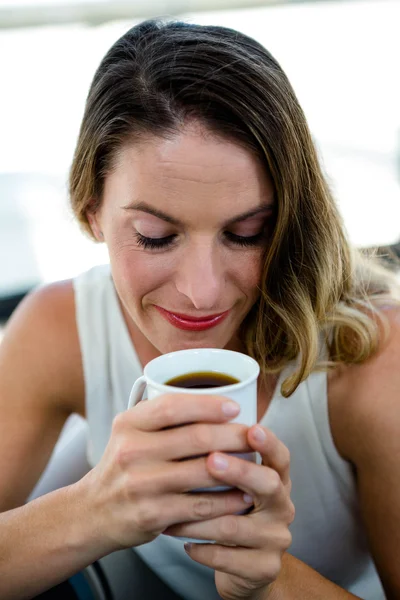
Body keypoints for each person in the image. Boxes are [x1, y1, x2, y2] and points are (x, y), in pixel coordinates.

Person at [0, 18, 399, 600]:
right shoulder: (60, 329)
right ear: (90, 211)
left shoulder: (374, 360)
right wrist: (94, 510)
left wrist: (268, 579)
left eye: (247, 233)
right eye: (156, 236)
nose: (203, 292)